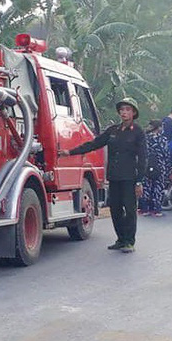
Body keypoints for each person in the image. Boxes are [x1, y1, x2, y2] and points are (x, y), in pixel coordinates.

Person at [60, 97, 147, 253]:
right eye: (122, 110)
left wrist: (139, 181)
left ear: (133, 113)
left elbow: (143, 158)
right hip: (114, 177)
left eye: (127, 110)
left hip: (129, 178)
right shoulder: (113, 130)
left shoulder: (138, 132)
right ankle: (120, 239)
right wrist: (70, 152)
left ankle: (129, 241)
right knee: (115, 209)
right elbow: (95, 143)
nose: (124, 113)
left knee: (129, 209)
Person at [141, 119, 168, 217]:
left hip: (147, 165)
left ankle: (145, 209)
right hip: (160, 165)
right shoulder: (162, 139)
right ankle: (157, 210)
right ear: (159, 128)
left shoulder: (145, 138)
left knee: (147, 187)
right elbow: (166, 153)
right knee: (158, 187)